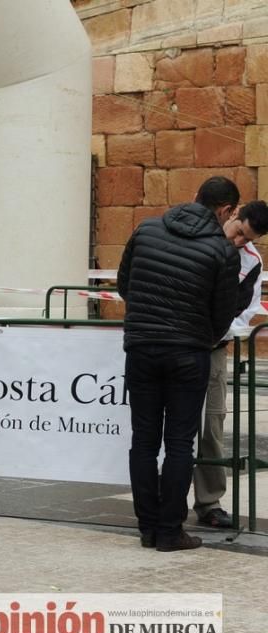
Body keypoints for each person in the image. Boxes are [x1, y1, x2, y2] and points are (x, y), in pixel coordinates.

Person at [117, 176, 240, 552]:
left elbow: (125, 286)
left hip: (141, 347)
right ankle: (170, 532)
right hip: (188, 353)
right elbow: (223, 316)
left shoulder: (146, 229)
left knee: (143, 441)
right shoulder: (222, 250)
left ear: (194, 196)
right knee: (179, 443)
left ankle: (148, 528)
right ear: (225, 211)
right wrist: (198, 334)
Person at [194, 200, 268, 529]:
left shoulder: (251, 261)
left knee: (211, 425)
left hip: (213, 348)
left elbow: (247, 312)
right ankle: (161, 496)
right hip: (178, 343)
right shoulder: (196, 240)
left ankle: (209, 502)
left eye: (247, 239)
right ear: (232, 213)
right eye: (239, 232)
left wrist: (219, 334)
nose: (239, 241)